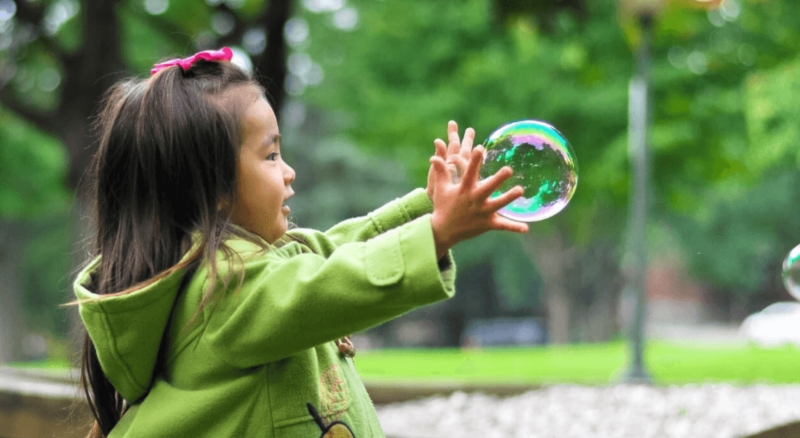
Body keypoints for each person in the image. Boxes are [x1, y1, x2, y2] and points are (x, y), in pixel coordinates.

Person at [73, 47, 528, 438]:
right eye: (270, 156)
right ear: (212, 191)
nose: (289, 171)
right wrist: (437, 234)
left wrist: (429, 208)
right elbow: (327, 284)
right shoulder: (223, 293)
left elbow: (333, 250)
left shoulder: (248, 269)